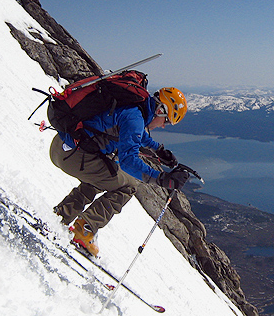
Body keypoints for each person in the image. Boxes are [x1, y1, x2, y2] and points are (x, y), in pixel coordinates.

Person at [50, 86, 189, 256]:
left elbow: (136, 133)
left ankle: (61, 215)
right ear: (160, 110)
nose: (165, 126)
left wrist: (159, 150)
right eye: (167, 121)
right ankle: (85, 229)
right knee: (128, 185)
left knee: (105, 176)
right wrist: (161, 179)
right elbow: (128, 162)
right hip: (74, 156)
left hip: (62, 147)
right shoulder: (135, 117)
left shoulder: (136, 107)